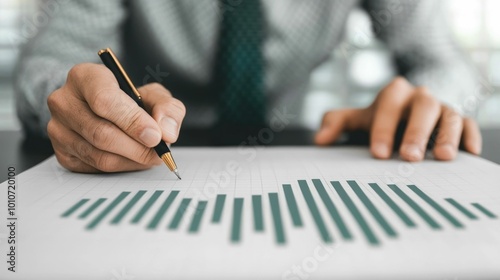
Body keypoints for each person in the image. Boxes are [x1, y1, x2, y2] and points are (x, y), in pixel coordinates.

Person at [15, 0, 482, 173]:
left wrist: (429, 104)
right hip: (142, 144)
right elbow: (51, 62)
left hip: (286, 144)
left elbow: (445, 61)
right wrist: (76, 100)